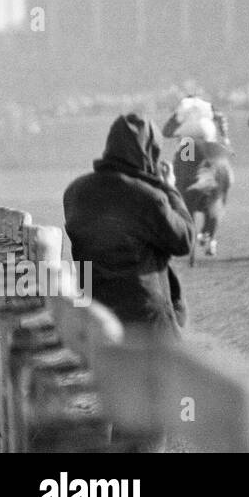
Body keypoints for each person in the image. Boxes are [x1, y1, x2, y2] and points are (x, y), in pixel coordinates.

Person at [63, 114, 193, 339]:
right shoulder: (150, 197)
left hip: (93, 312)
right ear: (150, 151)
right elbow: (184, 241)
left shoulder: (75, 191)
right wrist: (168, 188)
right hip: (146, 322)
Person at [163, 92, 229, 147]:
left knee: (186, 153)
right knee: (210, 141)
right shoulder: (205, 104)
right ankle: (212, 156)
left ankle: (184, 160)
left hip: (188, 130)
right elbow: (220, 117)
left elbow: (166, 131)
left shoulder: (183, 104)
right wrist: (224, 137)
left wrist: (177, 135)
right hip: (206, 128)